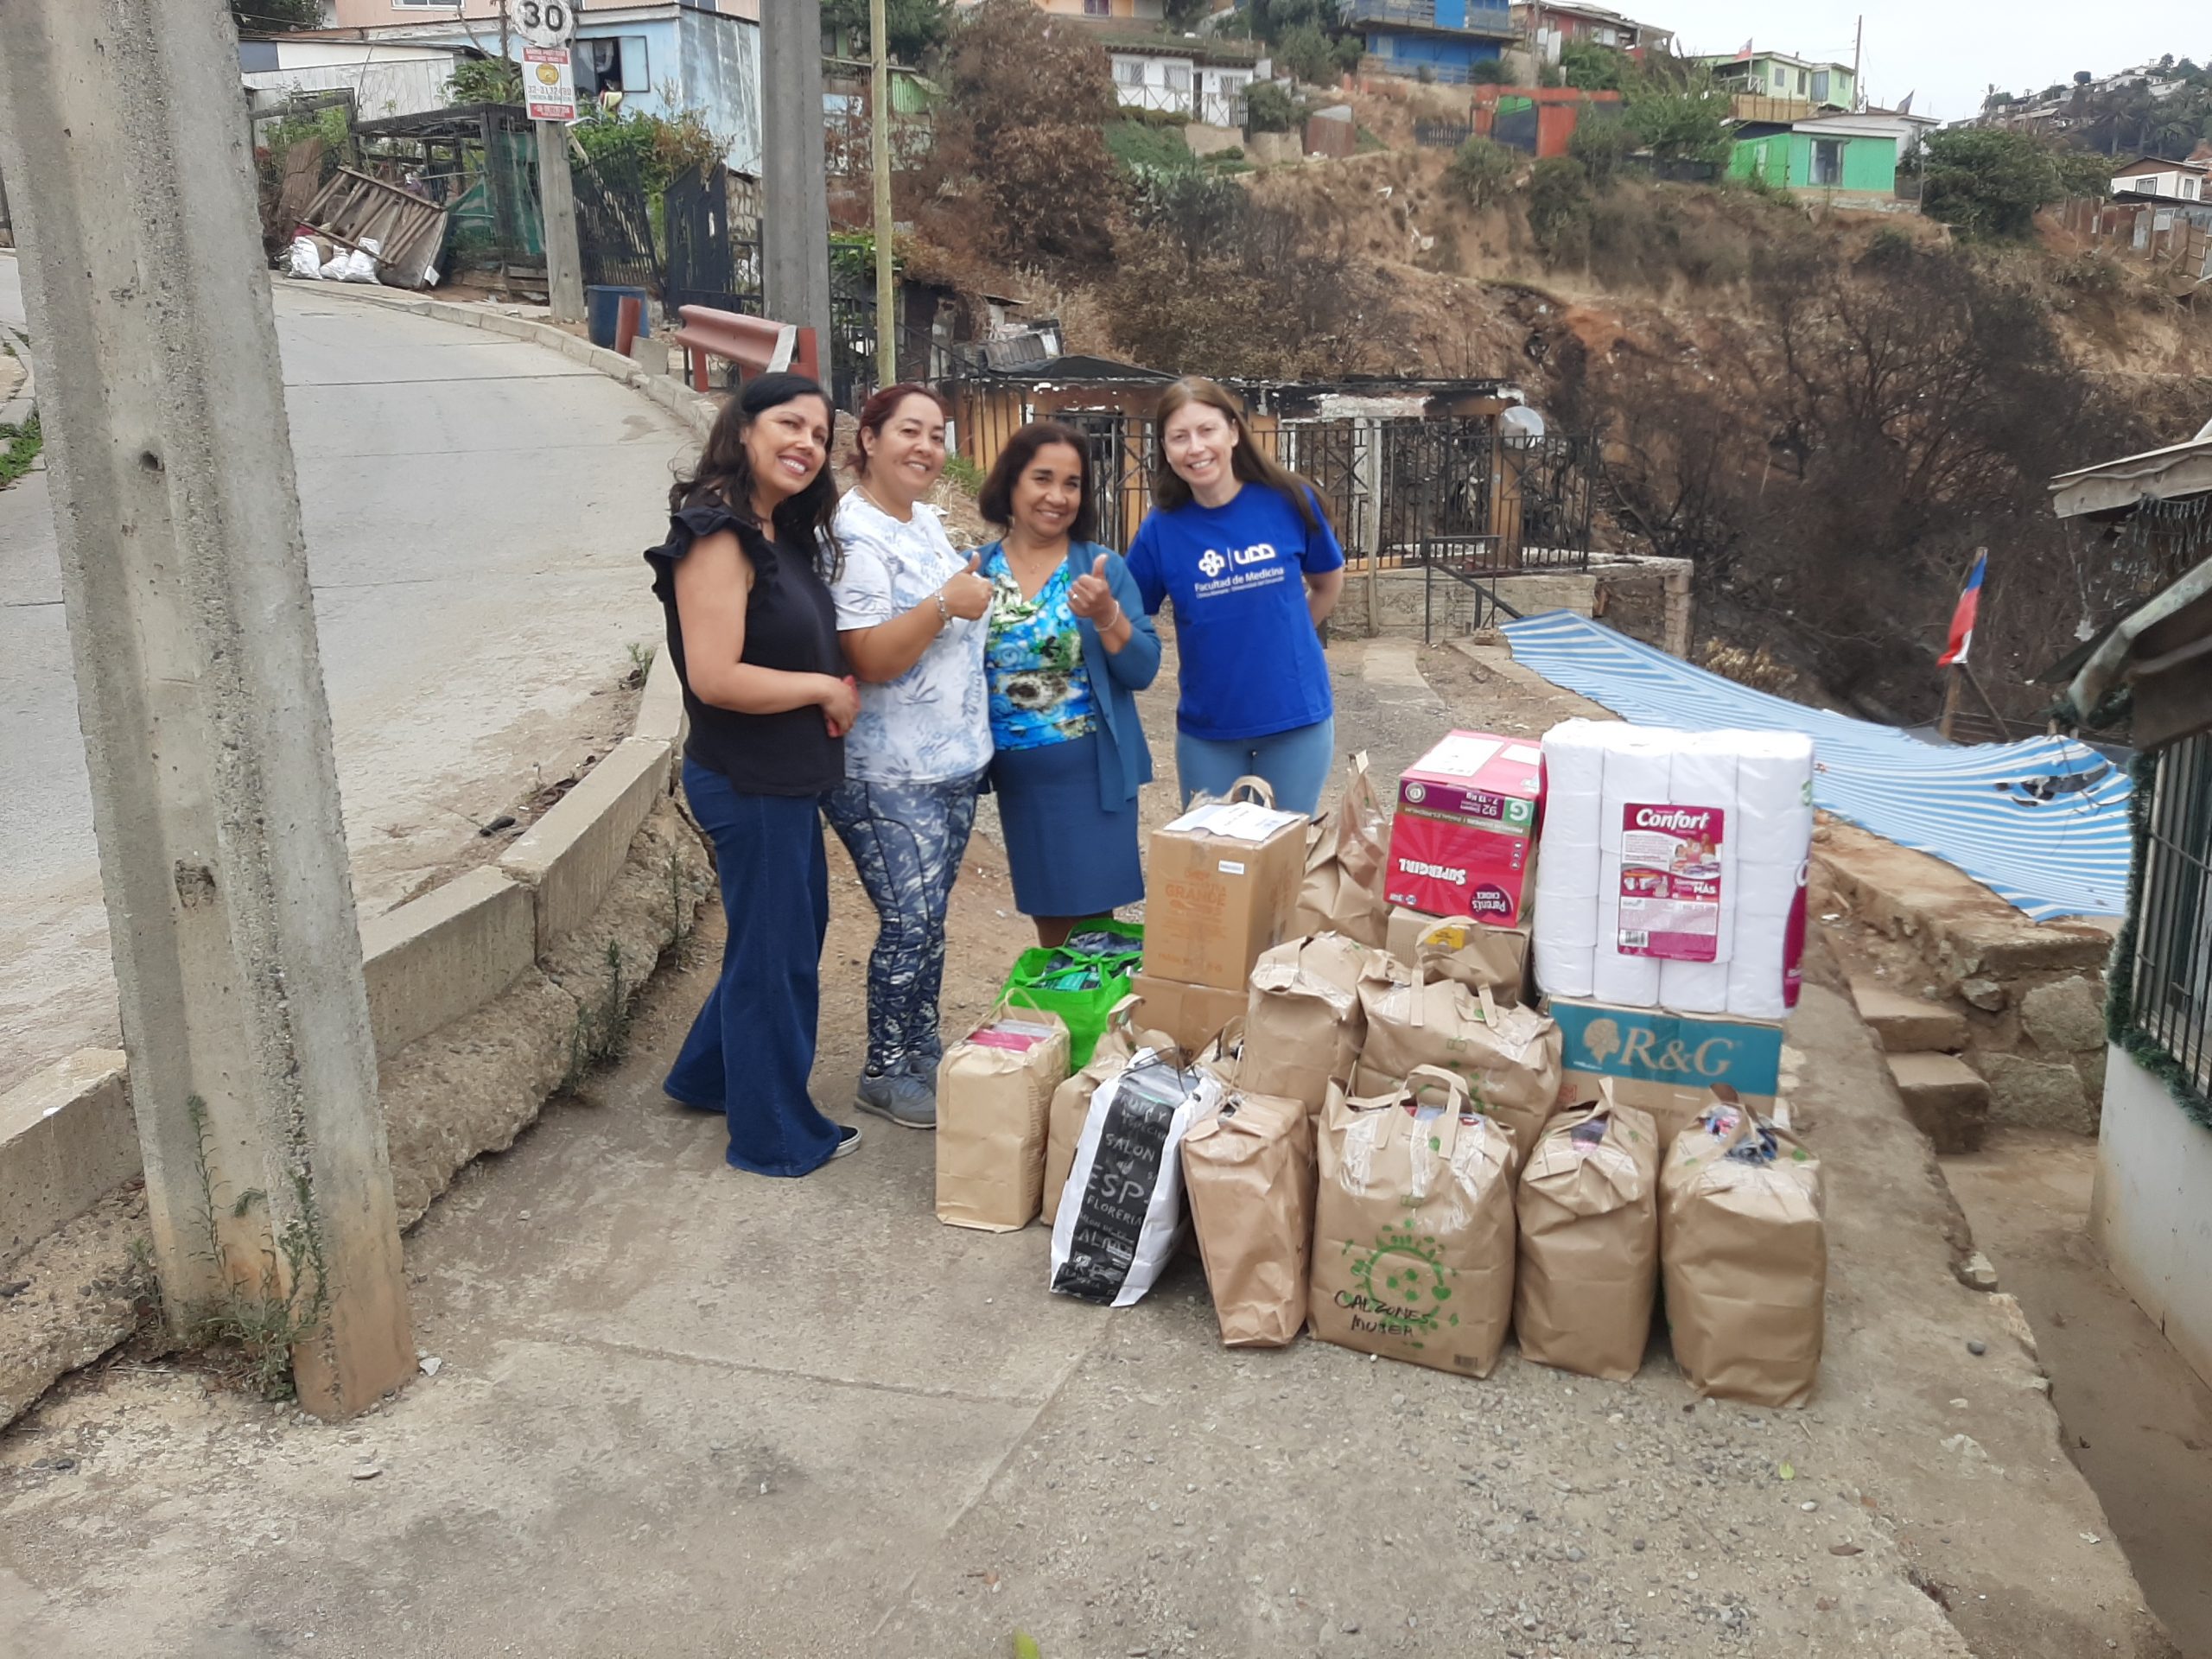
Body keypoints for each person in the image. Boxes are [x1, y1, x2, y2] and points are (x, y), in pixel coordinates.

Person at [642, 372, 862, 1176]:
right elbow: (715, 676)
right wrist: (821, 689)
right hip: (749, 780)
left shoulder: (774, 530)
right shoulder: (717, 534)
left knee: (781, 937)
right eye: (790, 425)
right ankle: (773, 1136)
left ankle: (709, 1076)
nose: (807, 443)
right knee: (776, 958)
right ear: (743, 429)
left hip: (782, 779)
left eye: (820, 434)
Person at [821, 384, 994, 1130]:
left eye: (937, 435)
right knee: (908, 922)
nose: (926, 448)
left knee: (930, 920)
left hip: (950, 765)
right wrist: (946, 603)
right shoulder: (853, 534)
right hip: (886, 774)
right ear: (869, 439)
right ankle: (884, 1070)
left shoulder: (921, 519)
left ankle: (922, 1047)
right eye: (909, 432)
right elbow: (868, 655)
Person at [975, 422, 1160, 948]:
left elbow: (1143, 669)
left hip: (1093, 776)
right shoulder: (976, 571)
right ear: (1011, 482)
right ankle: (1068, 1002)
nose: (1058, 496)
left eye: (1072, 483)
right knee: (1051, 925)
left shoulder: (1100, 568)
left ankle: (1094, 1002)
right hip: (1020, 783)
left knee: (1094, 929)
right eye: (1043, 479)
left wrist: (1107, 615)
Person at [1126, 376, 1346, 816]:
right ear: (1165, 449)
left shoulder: (1289, 500)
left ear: (1232, 432)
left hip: (1295, 719)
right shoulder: (1160, 530)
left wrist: (1285, 637)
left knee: (1282, 852)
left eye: (1206, 430)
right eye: (1179, 437)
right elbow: (1129, 613)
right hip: (1209, 731)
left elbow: (1328, 582)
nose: (1196, 448)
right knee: (1211, 855)